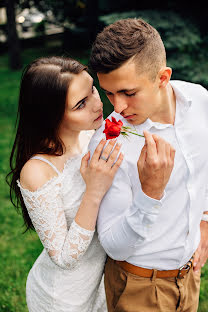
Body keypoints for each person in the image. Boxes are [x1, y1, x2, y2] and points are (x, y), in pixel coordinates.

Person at [88, 18, 208, 312]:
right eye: (109, 93)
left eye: (129, 93)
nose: (117, 108)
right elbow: (114, 246)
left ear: (162, 77)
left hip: (190, 277)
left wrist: (204, 221)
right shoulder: (108, 142)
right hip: (138, 288)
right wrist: (150, 191)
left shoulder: (199, 100)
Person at [7, 56, 124, 312]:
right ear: (51, 115)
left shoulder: (93, 135)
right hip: (62, 299)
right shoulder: (38, 171)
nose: (97, 104)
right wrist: (93, 191)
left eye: (92, 88)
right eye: (80, 104)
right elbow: (63, 258)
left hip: (104, 286)